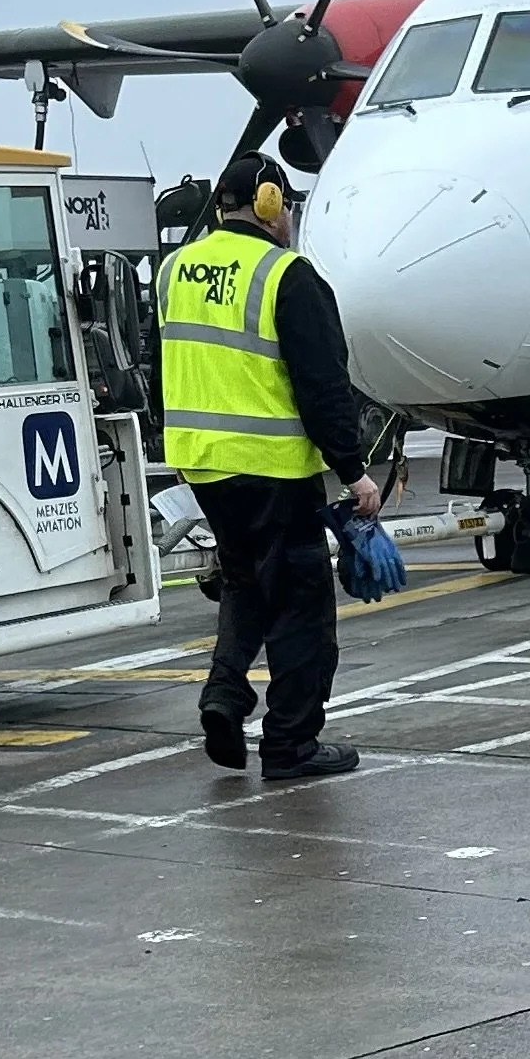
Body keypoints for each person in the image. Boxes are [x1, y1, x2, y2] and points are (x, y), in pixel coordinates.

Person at [157, 152, 380, 779]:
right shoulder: (286, 274)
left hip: (204, 466)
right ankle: (291, 743)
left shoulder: (175, 270)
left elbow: (163, 363)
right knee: (301, 606)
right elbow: (323, 385)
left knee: (246, 583)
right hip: (274, 469)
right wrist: (354, 470)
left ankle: (225, 697)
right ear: (270, 205)